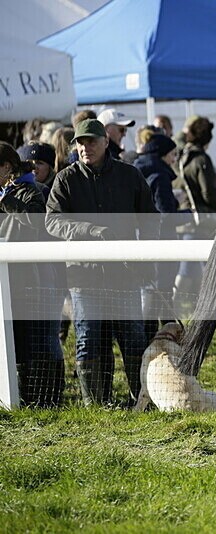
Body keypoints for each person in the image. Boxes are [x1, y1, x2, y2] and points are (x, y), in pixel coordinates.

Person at [45, 119, 159, 406]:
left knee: (132, 337)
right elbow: (53, 221)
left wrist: (144, 255)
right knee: (89, 338)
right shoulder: (66, 179)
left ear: (106, 141)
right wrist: (91, 231)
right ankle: (94, 405)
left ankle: (141, 400)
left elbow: (151, 217)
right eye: (80, 143)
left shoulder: (129, 175)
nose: (85, 148)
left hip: (125, 272)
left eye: (91, 142)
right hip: (84, 275)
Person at [0, 142, 65, 407]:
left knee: (35, 343)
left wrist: (6, 201)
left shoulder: (33, 191)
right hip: (6, 280)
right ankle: (15, 396)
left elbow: (37, 220)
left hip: (29, 280)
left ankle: (43, 398)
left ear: (6, 167)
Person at [133, 133, 181, 340]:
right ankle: (163, 339)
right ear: (162, 155)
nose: (174, 159)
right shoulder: (160, 176)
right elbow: (165, 215)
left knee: (152, 293)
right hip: (163, 243)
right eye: (172, 154)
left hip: (144, 239)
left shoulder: (140, 171)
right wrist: (190, 216)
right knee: (161, 293)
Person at [172, 116, 216, 308]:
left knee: (193, 268)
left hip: (183, 217)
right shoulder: (201, 159)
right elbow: (207, 191)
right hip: (199, 219)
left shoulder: (180, 156)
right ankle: (171, 308)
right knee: (188, 269)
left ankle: (194, 307)